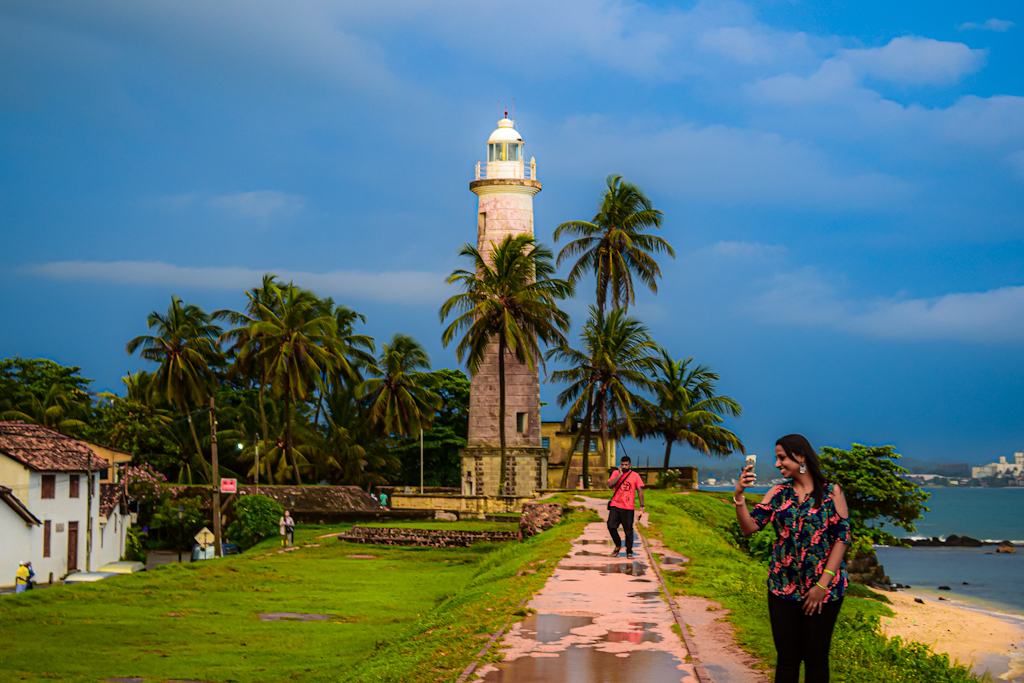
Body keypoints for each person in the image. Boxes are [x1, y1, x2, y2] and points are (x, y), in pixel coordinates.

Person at [734, 434, 851, 683]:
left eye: (782, 458)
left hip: (824, 592)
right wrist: (739, 496)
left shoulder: (831, 492)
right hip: (782, 588)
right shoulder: (778, 492)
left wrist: (822, 585)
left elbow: (841, 539)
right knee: (787, 658)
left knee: (816, 658)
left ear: (800, 457)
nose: (777, 464)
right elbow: (749, 527)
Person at [607, 455, 644, 559]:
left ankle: (629, 551)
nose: (624, 466)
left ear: (630, 465)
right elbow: (610, 485)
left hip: (628, 508)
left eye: (626, 465)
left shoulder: (635, 476)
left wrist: (642, 506)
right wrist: (620, 474)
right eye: (622, 465)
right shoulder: (616, 473)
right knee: (611, 526)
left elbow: (640, 491)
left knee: (628, 531)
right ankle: (618, 545)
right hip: (615, 505)